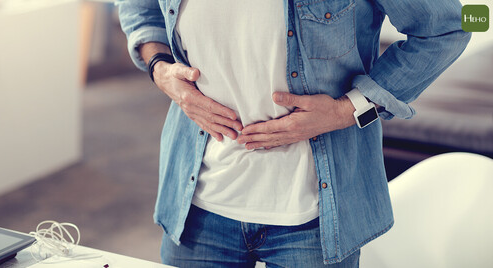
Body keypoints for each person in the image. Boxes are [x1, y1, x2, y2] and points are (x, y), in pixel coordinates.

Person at [117, 0, 470, 267]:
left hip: (315, 221)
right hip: (196, 207)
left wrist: (345, 111)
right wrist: (159, 68)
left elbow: (453, 25)